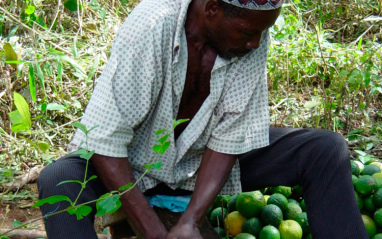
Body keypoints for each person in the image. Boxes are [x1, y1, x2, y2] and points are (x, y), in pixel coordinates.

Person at [37, 0, 369, 238]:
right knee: (60, 179)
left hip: (199, 161)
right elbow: (106, 140)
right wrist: (152, 230)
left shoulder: (251, 37)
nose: (256, 42)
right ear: (211, 9)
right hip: (133, 163)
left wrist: (190, 221)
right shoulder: (153, 24)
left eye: (262, 32)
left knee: (325, 150)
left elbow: (231, 135)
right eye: (247, 33)